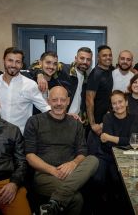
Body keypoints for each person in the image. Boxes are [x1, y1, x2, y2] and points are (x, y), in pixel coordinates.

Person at [24, 86, 99, 215]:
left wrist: (73, 163)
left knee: (93, 160)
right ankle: (56, 202)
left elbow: (82, 152)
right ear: (48, 101)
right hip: (44, 174)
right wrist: (53, 170)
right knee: (76, 199)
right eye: (54, 100)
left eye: (62, 100)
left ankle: (53, 204)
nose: (59, 103)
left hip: (72, 173)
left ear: (68, 101)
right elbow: (30, 156)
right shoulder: (34, 121)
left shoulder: (76, 123)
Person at [90, 90, 138, 213]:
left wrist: (110, 137)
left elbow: (133, 141)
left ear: (126, 102)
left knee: (120, 182)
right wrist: (116, 140)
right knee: (98, 179)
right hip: (106, 155)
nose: (118, 105)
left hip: (125, 156)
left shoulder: (134, 118)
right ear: (111, 106)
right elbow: (108, 144)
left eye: (120, 102)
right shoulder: (108, 117)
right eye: (114, 103)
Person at [0, 47, 50, 133]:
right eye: (10, 60)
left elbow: (45, 108)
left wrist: (64, 116)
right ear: (3, 60)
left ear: (22, 64)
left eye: (18, 62)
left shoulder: (30, 85)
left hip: (21, 139)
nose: (13, 65)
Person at [86, 45, 114, 136]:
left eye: (110, 55)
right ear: (98, 57)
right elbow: (89, 100)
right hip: (97, 123)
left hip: (106, 119)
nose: (108, 58)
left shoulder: (110, 70)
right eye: (104, 55)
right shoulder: (95, 74)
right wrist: (93, 124)